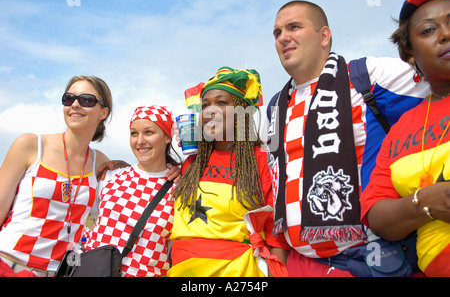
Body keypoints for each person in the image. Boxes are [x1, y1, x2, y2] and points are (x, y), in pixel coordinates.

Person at [266, 0, 432, 276]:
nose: (284, 37)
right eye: (277, 32)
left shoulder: (367, 75)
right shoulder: (275, 105)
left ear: (324, 36)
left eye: (293, 27)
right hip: (303, 264)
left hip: (371, 259)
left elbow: (438, 79)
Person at [360, 0, 450, 277]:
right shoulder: (402, 129)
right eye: (428, 30)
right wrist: (423, 204)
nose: (445, 34)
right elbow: (376, 214)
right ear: (409, 53)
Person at [168, 67, 290, 277]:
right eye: (205, 105)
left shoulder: (260, 160)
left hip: (237, 272)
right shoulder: (192, 162)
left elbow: (276, 232)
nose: (209, 110)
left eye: (221, 102)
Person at [0, 76, 112, 277]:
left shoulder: (101, 163)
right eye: (69, 98)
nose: (75, 104)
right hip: (9, 264)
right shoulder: (31, 146)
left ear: (103, 112)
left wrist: (171, 168)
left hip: (60, 272)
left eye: (86, 100)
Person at [84, 105, 181, 277]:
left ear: (167, 137)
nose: (140, 140)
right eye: (134, 133)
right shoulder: (111, 176)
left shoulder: (180, 187)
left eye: (149, 132)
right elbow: (76, 214)